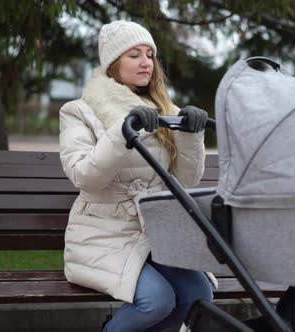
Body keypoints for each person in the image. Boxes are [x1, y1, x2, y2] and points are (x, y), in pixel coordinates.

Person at [58, 20, 215, 332]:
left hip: (153, 233)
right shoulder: (79, 111)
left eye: (149, 54)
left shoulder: (164, 110)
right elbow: (84, 177)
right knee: (157, 300)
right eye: (134, 55)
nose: (146, 62)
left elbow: (188, 180)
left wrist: (190, 135)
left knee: (198, 295)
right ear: (114, 63)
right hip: (103, 233)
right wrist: (121, 131)